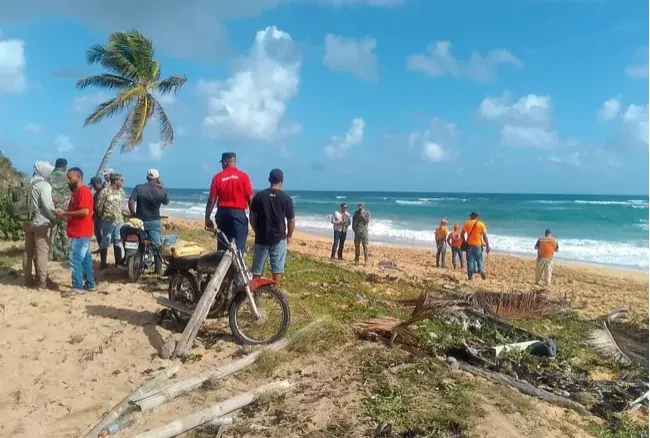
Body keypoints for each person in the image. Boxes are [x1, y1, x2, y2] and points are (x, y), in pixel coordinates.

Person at [249, 169, 295, 284]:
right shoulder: (286, 198)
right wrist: (289, 236)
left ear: (269, 180)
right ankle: (275, 292)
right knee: (277, 268)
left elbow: (252, 216)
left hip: (261, 236)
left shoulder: (259, 196)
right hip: (279, 236)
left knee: (257, 268)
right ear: (282, 181)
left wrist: (256, 230)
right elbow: (291, 220)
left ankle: (255, 294)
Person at [55, 167, 96, 294]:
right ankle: (90, 283)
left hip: (81, 231)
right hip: (80, 231)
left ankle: (78, 286)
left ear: (78, 177)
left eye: (70, 178)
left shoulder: (83, 191)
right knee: (85, 259)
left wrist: (65, 213)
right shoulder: (77, 191)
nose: (68, 180)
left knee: (75, 258)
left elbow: (85, 211)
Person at [204, 152, 253, 253]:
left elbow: (212, 200)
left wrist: (207, 218)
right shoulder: (244, 177)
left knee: (223, 246)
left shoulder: (217, 177)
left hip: (223, 214)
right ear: (234, 161)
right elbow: (250, 199)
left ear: (225, 162)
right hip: (238, 214)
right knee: (239, 247)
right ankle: (237, 267)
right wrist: (254, 216)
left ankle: (223, 267)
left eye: (222, 163)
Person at [23, 161, 58, 290]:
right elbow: (48, 206)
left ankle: (27, 279)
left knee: (28, 251)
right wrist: (54, 219)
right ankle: (42, 282)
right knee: (42, 252)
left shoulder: (29, 184)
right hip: (41, 222)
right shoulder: (44, 185)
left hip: (28, 222)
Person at [129, 169, 170, 274]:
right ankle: (158, 270)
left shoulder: (139, 188)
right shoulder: (161, 190)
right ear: (157, 179)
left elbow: (131, 201)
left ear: (147, 178)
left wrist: (133, 214)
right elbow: (166, 202)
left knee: (139, 243)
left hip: (140, 220)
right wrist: (162, 188)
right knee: (156, 246)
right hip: (154, 221)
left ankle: (136, 263)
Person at [96, 173, 126, 269]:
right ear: (115, 181)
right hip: (107, 221)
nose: (122, 182)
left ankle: (118, 262)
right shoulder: (105, 191)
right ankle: (103, 264)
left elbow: (122, 206)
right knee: (106, 241)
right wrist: (103, 216)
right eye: (121, 180)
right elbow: (99, 206)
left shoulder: (122, 192)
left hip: (119, 220)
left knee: (118, 241)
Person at [48, 157, 70, 261]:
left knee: (53, 230)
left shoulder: (49, 176)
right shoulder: (67, 177)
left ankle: (51, 254)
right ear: (64, 166)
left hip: (53, 207)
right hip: (65, 208)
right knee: (64, 231)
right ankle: (66, 253)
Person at [462, 212, 490, 280]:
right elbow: (484, 236)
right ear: (477, 217)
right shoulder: (481, 224)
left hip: (469, 245)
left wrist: (464, 241)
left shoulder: (467, 223)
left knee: (470, 261)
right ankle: (480, 269)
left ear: (471, 216)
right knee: (479, 258)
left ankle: (470, 277)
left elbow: (462, 234)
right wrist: (487, 245)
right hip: (478, 245)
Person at [90, 176, 104, 250]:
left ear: (96, 183)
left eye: (93, 185)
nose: (93, 187)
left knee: (101, 234)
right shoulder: (98, 192)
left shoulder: (104, 191)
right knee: (97, 233)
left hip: (101, 217)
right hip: (96, 216)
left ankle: (102, 249)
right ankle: (100, 248)